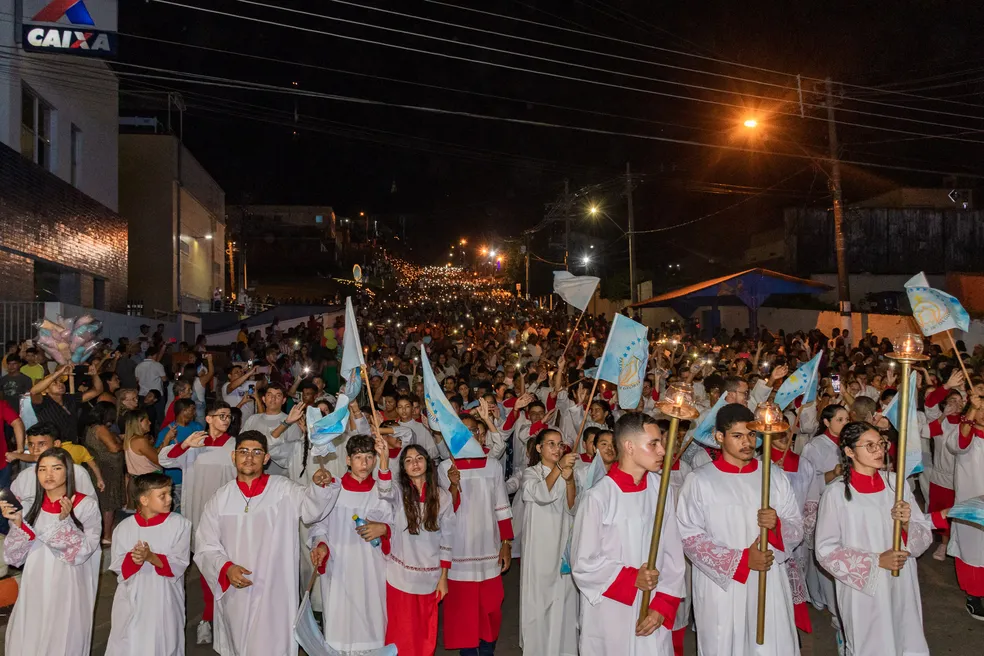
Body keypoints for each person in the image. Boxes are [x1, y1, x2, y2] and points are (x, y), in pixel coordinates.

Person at [194, 430, 337, 656]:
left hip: (275, 590)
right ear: (233, 456)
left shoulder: (283, 489)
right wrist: (226, 568)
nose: (249, 457)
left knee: (273, 644)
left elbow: (312, 509)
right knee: (240, 645)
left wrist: (320, 486)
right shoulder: (220, 499)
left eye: (256, 452)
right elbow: (205, 545)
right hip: (237, 591)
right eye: (243, 451)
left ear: (266, 458)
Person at [676, 404, 804, 655]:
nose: (747, 442)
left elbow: (796, 525)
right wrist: (743, 560)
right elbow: (690, 537)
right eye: (737, 435)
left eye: (751, 435)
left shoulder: (773, 476)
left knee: (770, 643)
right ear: (719, 436)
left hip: (768, 576)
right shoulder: (699, 480)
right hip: (722, 585)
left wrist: (776, 526)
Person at [570, 413, 686, 655]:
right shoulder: (598, 497)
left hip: (653, 608)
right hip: (611, 612)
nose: (662, 451)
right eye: (653, 444)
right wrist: (632, 578)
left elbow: (673, 552)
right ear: (629, 446)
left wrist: (662, 605)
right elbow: (583, 564)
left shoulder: (661, 489)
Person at [815, 421, 932, 654]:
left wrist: (906, 522)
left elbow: (923, 531)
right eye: (869, 446)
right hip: (863, 586)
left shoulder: (896, 484)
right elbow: (825, 550)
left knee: (905, 634)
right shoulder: (836, 494)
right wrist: (877, 561)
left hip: (901, 579)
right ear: (849, 452)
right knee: (872, 641)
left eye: (881, 444)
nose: (879, 450)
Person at [1, 447, 102, 655]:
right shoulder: (30, 506)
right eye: (42, 469)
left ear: (68, 471)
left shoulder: (85, 505)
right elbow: (14, 557)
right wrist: (18, 523)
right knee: (33, 626)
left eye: (56, 468)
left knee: (61, 631)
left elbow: (86, 550)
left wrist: (67, 523)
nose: (48, 474)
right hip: (35, 577)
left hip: (68, 579)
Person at [158, 401, 237, 644]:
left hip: (227, 515)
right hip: (198, 513)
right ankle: (207, 619)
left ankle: (224, 620)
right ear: (209, 418)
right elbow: (164, 459)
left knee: (224, 567)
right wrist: (183, 445)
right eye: (221, 415)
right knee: (204, 567)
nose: (226, 420)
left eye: (229, 416)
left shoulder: (234, 445)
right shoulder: (195, 444)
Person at [309, 433, 394, 652]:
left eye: (369, 457)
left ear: (375, 459)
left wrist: (384, 529)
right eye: (358, 457)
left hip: (372, 570)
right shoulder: (333, 489)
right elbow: (319, 525)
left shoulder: (383, 491)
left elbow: (398, 525)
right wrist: (321, 545)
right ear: (348, 460)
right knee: (339, 623)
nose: (364, 463)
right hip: (340, 568)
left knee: (372, 620)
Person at [438, 416, 514, 655]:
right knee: (463, 612)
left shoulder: (493, 465)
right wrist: (452, 484)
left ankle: (488, 649)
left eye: (474, 431)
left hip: (488, 546)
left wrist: (506, 543)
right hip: (459, 548)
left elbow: (502, 506)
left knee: (490, 607)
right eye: (464, 431)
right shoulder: (445, 467)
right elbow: (446, 510)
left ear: (481, 435)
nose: (470, 435)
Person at [105, 473, 192, 656]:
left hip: (164, 598)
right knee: (130, 641)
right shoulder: (124, 528)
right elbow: (118, 566)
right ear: (144, 500)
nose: (170, 499)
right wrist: (134, 559)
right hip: (132, 597)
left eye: (170, 493)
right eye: (162, 495)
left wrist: (151, 557)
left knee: (163, 641)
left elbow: (179, 563)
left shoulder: (180, 525)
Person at [381, 444, 455, 656]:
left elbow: (447, 539)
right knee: (400, 633)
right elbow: (384, 490)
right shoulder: (398, 493)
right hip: (400, 577)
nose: (414, 463)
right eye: (408, 460)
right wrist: (384, 460)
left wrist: (443, 577)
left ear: (428, 463)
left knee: (424, 634)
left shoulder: (442, 497)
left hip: (429, 577)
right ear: (403, 469)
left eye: (419, 458)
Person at [520, 428, 578, 655]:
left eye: (560, 444)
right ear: (539, 448)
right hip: (539, 546)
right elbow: (541, 495)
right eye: (551, 444)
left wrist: (570, 480)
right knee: (539, 601)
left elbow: (572, 507)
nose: (557, 448)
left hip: (562, 542)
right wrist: (559, 468)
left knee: (563, 599)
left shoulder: (567, 472)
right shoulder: (531, 473)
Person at [800, 403, 849, 613]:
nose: (845, 423)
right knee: (821, 552)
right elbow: (808, 480)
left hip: (845, 504)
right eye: (840, 420)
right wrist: (834, 473)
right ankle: (820, 595)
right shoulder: (815, 446)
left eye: (847, 419)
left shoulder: (850, 443)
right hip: (822, 503)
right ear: (827, 422)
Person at [946, 390, 984, 619]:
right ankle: (974, 596)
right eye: (980, 409)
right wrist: (971, 409)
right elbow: (958, 444)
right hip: (972, 506)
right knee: (972, 550)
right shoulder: (965, 434)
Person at [10, 423, 96, 504]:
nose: (35, 450)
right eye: (31, 444)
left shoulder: (77, 472)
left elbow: (90, 505)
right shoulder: (25, 476)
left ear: (56, 444)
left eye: (41, 444)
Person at [81, 401, 125, 545]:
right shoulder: (100, 429)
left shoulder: (90, 427)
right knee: (108, 503)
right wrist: (123, 444)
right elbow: (113, 448)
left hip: (100, 467)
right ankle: (107, 535)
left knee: (102, 501)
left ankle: (101, 534)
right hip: (107, 469)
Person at [241, 384, 305, 480]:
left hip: (279, 478)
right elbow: (241, 444)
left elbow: (293, 454)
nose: (273, 398)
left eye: (278, 395)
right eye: (269, 395)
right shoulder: (252, 419)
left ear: (283, 400)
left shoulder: (292, 423)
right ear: (263, 399)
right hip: (251, 476)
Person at [30, 362, 103, 443]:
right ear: (46, 389)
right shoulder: (42, 402)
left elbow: (98, 390)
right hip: (53, 446)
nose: (60, 384)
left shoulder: (70, 398)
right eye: (55, 383)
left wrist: (94, 375)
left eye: (61, 382)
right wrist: (58, 373)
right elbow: (33, 392)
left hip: (72, 444)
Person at [122, 409, 162, 478]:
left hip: (139, 479)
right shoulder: (140, 441)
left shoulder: (131, 439)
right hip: (148, 479)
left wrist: (166, 439)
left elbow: (153, 453)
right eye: (147, 420)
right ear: (139, 422)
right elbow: (159, 460)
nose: (150, 423)